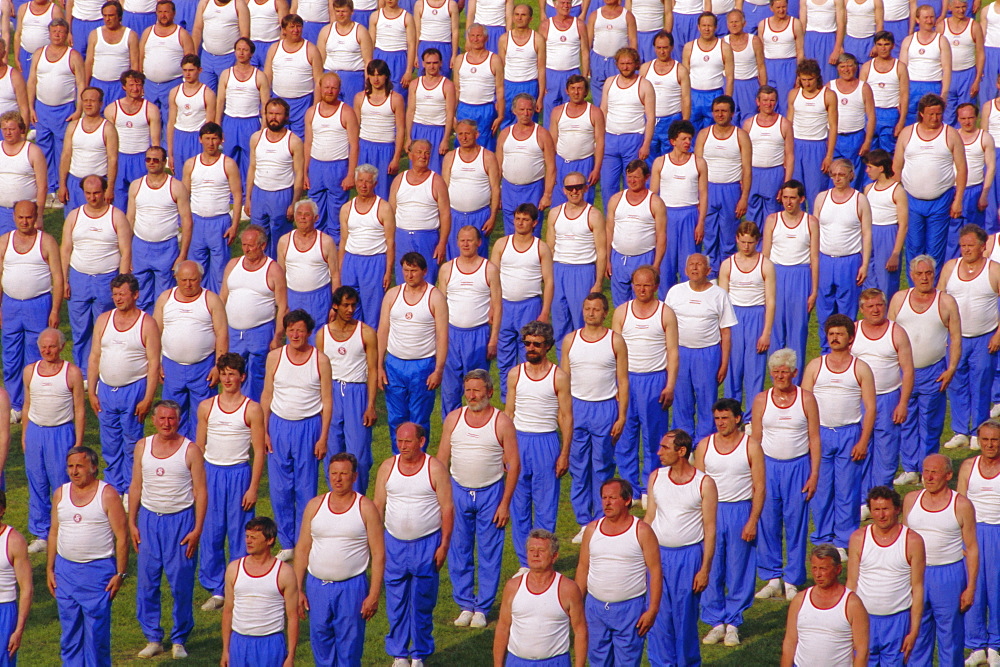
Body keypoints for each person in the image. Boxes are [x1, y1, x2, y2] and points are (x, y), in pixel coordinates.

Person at [437, 370, 520, 627]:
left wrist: (505, 503)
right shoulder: (454, 419)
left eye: (477, 390)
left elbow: (514, 464)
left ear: (490, 392)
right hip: (458, 491)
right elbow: (441, 460)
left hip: (490, 494)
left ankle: (482, 607)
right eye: (468, 390)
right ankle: (464, 604)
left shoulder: (502, 422)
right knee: (459, 549)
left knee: (489, 551)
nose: (472, 396)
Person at [127, 400, 207, 660]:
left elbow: (201, 492)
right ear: (154, 420)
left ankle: (179, 639)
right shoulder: (143, 447)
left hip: (180, 522)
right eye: (162, 418)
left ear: (179, 420)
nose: (167, 423)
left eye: (171, 419)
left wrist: (196, 529)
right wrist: (132, 522)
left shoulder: (190, 450)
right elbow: (136, 486)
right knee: (148, 582)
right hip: (150, 522)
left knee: (181, 584)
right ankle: (153, 637)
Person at [373, 422, 454, 667]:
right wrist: (376, 545)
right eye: (399, 441)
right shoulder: (387, 467)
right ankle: (399, 654)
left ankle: (418, 654)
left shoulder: (435, 468)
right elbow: (377, 506)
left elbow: (447, 509)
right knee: (396, 602)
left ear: (421, 441)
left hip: (426, 544)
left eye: (408, 441)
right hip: (394, 544)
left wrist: (443, 546)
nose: (403, 446)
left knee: (422, 602)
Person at [293, 453, 385, 667]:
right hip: (317, 588)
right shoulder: (315, 506)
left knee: (350, 648)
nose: (338, 478)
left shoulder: (365, 508)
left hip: (351, 588)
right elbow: (302, 549)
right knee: (321, 642)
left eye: (344, 474)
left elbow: (379, 554)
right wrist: (297, 589)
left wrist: (373, 594)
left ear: (354, 476)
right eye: (333, 473)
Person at [194, 353, 264, 614]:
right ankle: (216, 588)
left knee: (239, 533)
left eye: (232, 374)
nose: (227, 379)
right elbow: (198, 448)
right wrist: (196, 483)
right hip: (212, 474)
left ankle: (238, 585)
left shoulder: (252, 409)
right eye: (223, 374)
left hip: (238, 474)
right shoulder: (206, 407)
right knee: (211, 532)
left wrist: (253, 487)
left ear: (242, 377)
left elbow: (258, 450)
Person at [46, 446, 129, 667]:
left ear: (93, 467)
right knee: (70, 634)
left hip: (97, 573)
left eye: (79, 466)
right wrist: (50, 569)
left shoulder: (108, 494)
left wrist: (120, 573)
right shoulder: (60, 494)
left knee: (96, 637)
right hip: (66, 572)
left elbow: (122, 537)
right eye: (70, 466)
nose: (74, 471)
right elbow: (54, 532)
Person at [692, 399, 765, 648]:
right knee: (711, 566)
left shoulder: (751, 446)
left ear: (737, 419)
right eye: (717, 418)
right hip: (712, 512)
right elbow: (697, 486)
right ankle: (715, 622)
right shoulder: (704, 446)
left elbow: (760, 486)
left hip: (740, 510)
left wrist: (752, 520)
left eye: (725, 418)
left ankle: (733, 623)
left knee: (739, 567)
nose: (721, 423)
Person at [801, 314, 876, 554]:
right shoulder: (815, 365)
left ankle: (844, 540)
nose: (834, 338)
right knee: (821, 489)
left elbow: (871, 407)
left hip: (849, 434)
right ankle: (823, 537)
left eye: (839, 334)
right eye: (831, 334)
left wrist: (863, 440)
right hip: (820, 434)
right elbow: (803, 403)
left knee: (847, 490)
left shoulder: (860, 368)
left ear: (850, 339)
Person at [261, 309, 332, 560]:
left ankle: (305, 539)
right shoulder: (274, 357)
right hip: (279, 426)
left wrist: (323, 437)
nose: (295, 334)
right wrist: (265, 431)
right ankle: (288, 542)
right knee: (280, 489)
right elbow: (267, 395)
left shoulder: (320, 360)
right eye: (291, 330)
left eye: (300, 330)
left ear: (309, 332)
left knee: (305, 487)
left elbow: (327, 401)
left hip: (308, 427)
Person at [750, 349, 821, 601]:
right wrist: (753, 474)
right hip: (768, 468)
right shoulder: (761, 400)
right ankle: (772, 577)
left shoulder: (807, 399)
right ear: (771, 374)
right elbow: (755, 440)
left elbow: (814, 438)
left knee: (796, 523)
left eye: (785, 371)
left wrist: (813, 475)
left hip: (798, 467)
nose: (780, 375)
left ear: (794, 373)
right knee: (767, 521)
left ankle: (792, 578)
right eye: (776, 371)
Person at [645, 429, 719, 666]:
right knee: (658, 617)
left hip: (689, 558)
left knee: (685, 620)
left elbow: (710, 529)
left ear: (682, 451)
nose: (659, 453)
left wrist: (705, 569)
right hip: (658, 557)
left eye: (665, 448)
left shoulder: (704, 483)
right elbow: (649, 518)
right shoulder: (656, 476)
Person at [562, 292, 628, 544]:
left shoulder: (615, 341)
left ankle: (603, 517)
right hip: (578, 408)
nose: (591, 313)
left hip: (605, 408)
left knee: (602, 465)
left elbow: (623, 380)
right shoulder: (570, 340)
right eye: (587, 308)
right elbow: (564, 381)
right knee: (579, 467)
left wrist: (621, 415)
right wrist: (564, 413)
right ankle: (583, 521)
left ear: (605, 313)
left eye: (596, 309)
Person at [505, 321, 571, 569]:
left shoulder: (559, 377)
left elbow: (565, 417)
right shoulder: (515, 374)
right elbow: (508, 413)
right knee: (519, 505)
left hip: (546, 441)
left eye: (536, 344)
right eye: (527, 343)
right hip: (519, 441)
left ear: (548, 347)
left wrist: (564, 453)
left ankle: (544, 560)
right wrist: (505, 450)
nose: (531, 348)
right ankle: (525, 563)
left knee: (545, 506)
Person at [888, 257, 960, 486]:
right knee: (907, 419)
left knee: (930, 422)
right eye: (920, 274)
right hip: (904, 372)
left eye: (928, 273)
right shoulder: (900, 299)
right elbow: (888, 334)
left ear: (934, 274)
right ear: (912, 275)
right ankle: (910, 468)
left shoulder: (946, 302)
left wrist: (951, 369)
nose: (924, 278)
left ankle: (928, 469)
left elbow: (956, 338)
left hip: (933, 371)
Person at [903, 454, 979, 667]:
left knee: (950, 638)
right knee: (916, 633)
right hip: (917, 575)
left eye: (934, 472)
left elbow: (972, 548)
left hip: (949, 575)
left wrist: (971, 587)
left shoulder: (961, 504)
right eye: (926, 471)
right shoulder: (911, 500)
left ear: (948, 475)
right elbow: (903, 542)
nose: (929, 476)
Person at [89, 273, 162, 495]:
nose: (118, 298)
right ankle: (114, 489)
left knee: (131, 444)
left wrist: (148, 398)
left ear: (135, 294)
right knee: (110, 444)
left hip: (134, 390)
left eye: (122, 294)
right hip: (107, 390)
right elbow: (94, 356)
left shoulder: (146, 324)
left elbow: (154, 364)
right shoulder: (103, 320)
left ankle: (132, 490)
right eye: (114, 294)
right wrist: (92, 392)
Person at [574, 479, 660, 663]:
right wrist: (575, 603)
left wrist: (652, 610)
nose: (606, 502)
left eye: (612, 498)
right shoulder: (592, 530)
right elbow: (583, 567)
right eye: (604, 498)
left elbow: (655, 572)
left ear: (627, 500)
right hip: (594, 609)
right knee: (597, 660)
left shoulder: (642, 531)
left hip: (630, 610)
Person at [610, 265, 678, 499]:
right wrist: (616, 385)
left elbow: (672, 351)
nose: (641, 289)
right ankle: (630, 488)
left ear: (656, 286)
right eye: (637, 285)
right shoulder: (621, 312)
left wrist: (670, 385)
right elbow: (613, 352)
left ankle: (653, 484)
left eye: (647, 285)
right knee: (626, 436)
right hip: (627, 380)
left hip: (654, 379)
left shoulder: (665, 313)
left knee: (654, 436)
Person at [59, 175, 131, 376]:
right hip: (79, 278)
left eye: (97, 193)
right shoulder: (74, 216)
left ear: (105, 191)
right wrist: (64, 280)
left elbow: (126, 252)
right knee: (80, 330)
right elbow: (65, 249)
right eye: (88, 193)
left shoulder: (116, 216)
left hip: (106, 279)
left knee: (105, 330)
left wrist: (122, 286)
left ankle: (104, 370)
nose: (92, 197)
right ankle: (83, 371)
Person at [846, 486, 926, 667]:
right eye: (876, 510)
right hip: (864, 619)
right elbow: (851, 583)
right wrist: (847, 625)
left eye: (885, 509)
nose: (881, 515)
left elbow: (918, 587)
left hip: (898, 621)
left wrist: (913, 631)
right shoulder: (858, 538)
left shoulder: (913, 541)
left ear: (897, 509)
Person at [21, 328, 85, 554]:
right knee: (37, 482)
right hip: (36, 433)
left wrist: (77, 442)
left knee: (61, 484)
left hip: (61, 433)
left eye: (52, 346)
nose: (47, 350)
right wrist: (25, 436)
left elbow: (79, 409)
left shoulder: (72, 373)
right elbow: (27, 405)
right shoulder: (30, 371)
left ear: (61, 347)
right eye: (44, 347)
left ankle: (65, 529)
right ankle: (41, 533)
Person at [377, 252, 448, 452]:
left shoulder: (434, 297)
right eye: (406, 270)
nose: (409, 275)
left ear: (424, 271)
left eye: (414, 271)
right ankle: (398, 458)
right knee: (396, 418)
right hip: (395, 364)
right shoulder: (392, 295)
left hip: (422, 365)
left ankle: (419, 461)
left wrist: (438, 369)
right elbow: (383, 330)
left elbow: (442, 335)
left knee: (419, 419)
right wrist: (379, 366)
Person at [852, 288, 914, 512]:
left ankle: (882, 498)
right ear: (862, 309)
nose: (875, 310)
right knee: (860, 448)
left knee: (886, 452)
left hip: (888, 397)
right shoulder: (854, 331)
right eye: (870, 306)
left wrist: (903, 403)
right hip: (858, 400)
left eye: (879, 305)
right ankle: (862, 500)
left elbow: (907, 370)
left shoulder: (896, 332)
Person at [664, 253, 738, 441]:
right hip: (680, 353)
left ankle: (705, 444)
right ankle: (683, 444)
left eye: (699, 264)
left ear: (708, 270)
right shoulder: (675, 292)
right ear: (686, 269)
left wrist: (723, 363)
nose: (695, 268)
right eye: (691, 264)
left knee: (707, 403)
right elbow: (665, 327)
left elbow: (726, 332)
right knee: (682, 402)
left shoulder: (719, 294)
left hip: (708, 354)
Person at [0, 201, 62, 423]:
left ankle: (33, 404)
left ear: (36, 217)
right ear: (14, 217)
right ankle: (14, 406)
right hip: (11, 305)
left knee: (36, 356)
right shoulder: (5, 242)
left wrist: (55, 309)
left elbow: (58, 276)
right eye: (21, 217)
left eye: (29, 217)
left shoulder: (46, 242)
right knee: (10, 357)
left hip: (38, 305)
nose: (25, 222)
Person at [939, 225, 1000, 450]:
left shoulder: (994, 270)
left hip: (984, 338)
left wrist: (998, 335)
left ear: (983, 247)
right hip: (956, 339)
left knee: (981, 384)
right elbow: (939, 299)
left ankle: (979, 430)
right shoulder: (950, 268)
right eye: (963, 245)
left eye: (970, 245)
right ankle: (960, 430)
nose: (966, 249)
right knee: (956, 383)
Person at [152, 260, 228, 440]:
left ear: (200, 278)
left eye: (193, 280)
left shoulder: (211, 300)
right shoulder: (165, 299)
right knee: (171, 416)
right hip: (172, 367)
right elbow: (154, 334)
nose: (188, 284)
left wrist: (218, 366)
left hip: (203, 368)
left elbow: (222, 334)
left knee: (202, 415)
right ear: (176, 278)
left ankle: (199, 453)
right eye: (184, 280)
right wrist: (157, 365)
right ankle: (175, 451)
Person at [494, 529, 587, 667]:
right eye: (531, 550)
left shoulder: (568, 589)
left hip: (555, 662)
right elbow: (503, 627)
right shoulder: (512, 587)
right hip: (517, 662)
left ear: (554, 556)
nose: (535, 554)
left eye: (541, 550)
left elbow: (580, 631)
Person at [315, 286, 378, 494]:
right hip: (331, 392)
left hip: (356, 392)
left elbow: (373, 369)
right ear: (335, 306)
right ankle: (335, 496)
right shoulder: (323, 334)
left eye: (353, 305)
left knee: (358, 452)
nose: (350, 310)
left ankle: (358, 497)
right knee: (331, 449)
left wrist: (370, 405)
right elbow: (318, 371)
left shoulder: (366, 332)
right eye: (346, 305)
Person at [895, 93, 967, 270]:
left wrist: (958, 200)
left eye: (938, 114)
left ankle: (934, 291)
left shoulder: (950, 134)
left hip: (941, 200)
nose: (935, 118)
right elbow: (896, 167)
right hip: (911, 199)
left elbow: (962, 169)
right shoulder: (907, 133)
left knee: (935, 249)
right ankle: (914, 289)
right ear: (921, 114)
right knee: (914, 248)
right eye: (931, 114)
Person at [491, 205, 553, 402]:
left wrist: (544, 313)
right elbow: (491, 280)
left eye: (525, 219)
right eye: (517, 218)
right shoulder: (502, 244)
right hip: (505, 306)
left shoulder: (540, 247)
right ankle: (506, 398)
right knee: (504, 356)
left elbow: (549, 282)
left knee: (529, 353)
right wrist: (492, 307)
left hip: (530, 306)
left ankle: (528, 397)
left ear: (534, 223)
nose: (520, 223)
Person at [220, 517, 299, 666]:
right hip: (239, 643)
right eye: (247, 537)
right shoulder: (234, 569)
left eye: (254, 538)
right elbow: (228, 611)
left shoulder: (284, 572)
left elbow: (292, 616)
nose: (248, 541)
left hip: (270, 644)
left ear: (269, 540)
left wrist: (291, 656)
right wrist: (226, 650)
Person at [814, 159, 872, 350]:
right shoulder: (822, 198)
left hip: (849, 260)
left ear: (851, 175)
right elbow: (813, 230)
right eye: (833, 174)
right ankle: (826, 351)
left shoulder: (859, 199)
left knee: (847, 309)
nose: (837, 178)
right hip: (825, 259)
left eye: (841, 174)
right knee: (824, 309)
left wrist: (864, 264)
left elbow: (866, 233)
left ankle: (847, 349)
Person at [762, 180, 819, 374]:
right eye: (785, 197)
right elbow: (765, 256)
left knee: (798, 331)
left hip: (801, 276)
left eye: (792, 198)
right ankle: (778, 377)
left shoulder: (810, 222)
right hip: (777, 275)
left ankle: (796, 379)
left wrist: (814, 291)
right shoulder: (772, 220)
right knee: (776, 329)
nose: (788, 202)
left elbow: (815, 257)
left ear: (801, 199)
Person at [780, 545, 870, 667]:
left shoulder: (852, 604)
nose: (818, 574)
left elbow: (862, 651)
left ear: (838, 569)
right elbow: (790, 643)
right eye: (814, 568)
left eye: (823, 569)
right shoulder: (800, 600)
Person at [128, 145, 193, 313]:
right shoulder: (136, 186)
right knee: (139, 295)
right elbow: (129, 219)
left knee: (164, 298)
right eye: (148, 159)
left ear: (164, 162)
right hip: (140, 247)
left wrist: (182, 255)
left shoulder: (176, 187)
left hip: (166, 248)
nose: (151, 163)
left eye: (155, 160)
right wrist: (127, 253)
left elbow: (187, 221)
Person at [28, 19, 84, 208]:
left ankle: (61, 187)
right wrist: (31, 107)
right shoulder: (39, 53)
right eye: (54, 31)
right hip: (42, 108)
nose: (57, 35)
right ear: (49, 33)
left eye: (61, 31)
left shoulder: (73, 56)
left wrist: (79, 110)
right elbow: (32, 82)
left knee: (63, 150)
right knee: (43, 149)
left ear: (66, 33)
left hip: (65, 109)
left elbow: (81, 84)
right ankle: (46, 187)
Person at [181, 121, 243, 294]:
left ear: (221, 140)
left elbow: (238, 196)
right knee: (196, 271)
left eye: (214, 139)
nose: (210, 143)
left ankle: (218, 306)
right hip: (196, 222)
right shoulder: (191, 164)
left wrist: (235, 226)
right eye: (207, 139)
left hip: (220, 222)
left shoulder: (228, 164)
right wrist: (185, 223)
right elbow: (183, 197)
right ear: (200, 140)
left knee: (219, 272)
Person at [957, 420, 1000, 667]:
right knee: (972, 587)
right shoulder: (967, 467)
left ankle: (995, 644)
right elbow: (960, 504)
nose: (990, 444)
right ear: (979, 441)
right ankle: (975, 645)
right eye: (985, 440)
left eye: (994, 439)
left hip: (997, 532)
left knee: (996, 589)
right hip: (972, 534)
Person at [719, 221, 776, 404]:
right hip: (734, 316)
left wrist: (766, 333)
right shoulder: (727, 265)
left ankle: (752, 416)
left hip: (756, 316)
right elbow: (722, 302)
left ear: (757, 241)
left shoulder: (765, 265)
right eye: (743, 242)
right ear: (737, 240)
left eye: (750, 242)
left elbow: (771, 301)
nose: (746, 246)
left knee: (755, 370)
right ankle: (732, 412)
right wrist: (722, 332)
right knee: (733, 368)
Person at [547, 172, 606, 347]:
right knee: (560, 323)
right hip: (559, 271)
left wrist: (598, 283)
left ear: (585, 188)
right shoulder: (555, 213)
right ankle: (564, 366)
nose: (574, 191)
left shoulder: (593, 215)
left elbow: (601, 251)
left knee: (582, 322)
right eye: (570, 188)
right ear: (564, 190)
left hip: (583, 271)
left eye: (578, 187)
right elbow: (549, 248)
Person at [695, 95, 752, 273]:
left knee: (728, 237)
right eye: (717, 111)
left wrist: (743, 198)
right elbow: (695, 167)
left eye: (724, 111)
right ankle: (710, 275)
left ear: (732, 113)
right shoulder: (704, 135)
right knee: (710, 235)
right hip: (709, 189)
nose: (720, 115)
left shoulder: (741, 136)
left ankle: (728, 274)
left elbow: (747, 169)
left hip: (731, 189)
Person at [649, 120, 706, 293]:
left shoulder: (699, 163)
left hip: (689, 215)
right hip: (667, 217)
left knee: (689, 265)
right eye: (684, 139)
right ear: (673, 141)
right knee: (666, 265)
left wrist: (701, 222)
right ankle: (666, 304)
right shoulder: (660, 163)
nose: (688, 142)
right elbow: (652, 196)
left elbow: (703, 195)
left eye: (690, 139)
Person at [304, 72, 360, 243]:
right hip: (316, 167)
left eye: (334, 88)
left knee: (336, 217)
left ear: (339, 90)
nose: (329, 91)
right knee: (316, 214)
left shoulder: (347, 112)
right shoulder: (311, 112)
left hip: (338, 167)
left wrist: (350, 174)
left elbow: (354, 145)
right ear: (320, 88)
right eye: (326, 87)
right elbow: (308, 143)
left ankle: (335, 253)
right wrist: (305, 173)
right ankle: (317, 248)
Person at [245, 97, 305, 258]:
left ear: (286, 117)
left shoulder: (293, 141)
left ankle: (279, 273)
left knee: (280, 239)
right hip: (259, 193)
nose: (273, 117)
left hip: (282, 194)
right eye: (270, 113)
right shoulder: (256, 138)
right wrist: (248, 198)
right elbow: (252, 168)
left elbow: (299, 174)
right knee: (257, 237)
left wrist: (294, 202)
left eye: (278, 114)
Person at [338, 164, 395, 329]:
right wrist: (341, 268)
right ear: (355, 182)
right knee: (349, 308)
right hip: (351, 261)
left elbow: (390, 242)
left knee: (372, 312)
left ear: (375, 184)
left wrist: (387, 271)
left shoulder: (383, 208)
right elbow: (343, 240)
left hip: (374, 262)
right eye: (360, 181)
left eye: (368, 182)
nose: (363, 185)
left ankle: (372, 348)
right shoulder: (346, 209)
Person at [606, 159, 667, 305]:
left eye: (636, 177)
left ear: (646, 178)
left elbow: (661, 236)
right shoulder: (616, 200)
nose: (632, 181)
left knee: (643, 302)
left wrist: (656, 264)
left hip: (644, 258)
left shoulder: (655, 203)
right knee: (620, 305)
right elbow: (608, 231)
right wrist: (607, 260)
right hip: (618, 258)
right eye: (629, 177)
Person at [389, 139, 450, 284]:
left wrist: (442, 244)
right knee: (403, 281)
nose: (423, 156)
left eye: (427, 153)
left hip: (427, 238)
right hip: (402, 237)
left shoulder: (436, 181)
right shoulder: (399, 180)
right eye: (419, 152)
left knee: (426, 281)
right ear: (410, 155)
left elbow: (446, 214)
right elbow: (390, 213)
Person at [276, 199, 339, 336]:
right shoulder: (284, 241)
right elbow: (280, 276)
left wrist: (335, 306)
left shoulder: (326, 242)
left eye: (307, 214)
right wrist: (282, 304)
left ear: (316, 218)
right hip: (293, 297)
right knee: (295, 335)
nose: (302, 217)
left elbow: (335, 275)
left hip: (319, 299)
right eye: (299, 214)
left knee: (318, 337)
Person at [497, 94, 556, 236]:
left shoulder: (542, 134)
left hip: (533, 189)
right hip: (509, 190)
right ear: (514, 111)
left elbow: (551, 167)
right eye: (522, 109)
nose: (525, 113)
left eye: (529, 110)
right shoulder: (505, 134)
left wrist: (547, 195)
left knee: (532, 231)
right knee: (510, 234)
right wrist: (496, 194)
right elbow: (497, 166)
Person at [600, 48, 655, 203]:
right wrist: (599, 139)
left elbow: (650, 118)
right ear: (617, 64)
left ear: (636, 64)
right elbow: (603, 111)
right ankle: (610, 220)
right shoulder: (610, 83)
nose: (625, 67)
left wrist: (646, 144)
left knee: (633, 184)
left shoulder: (644, 85)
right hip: (610, 139)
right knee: (607, 186)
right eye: (622, 63)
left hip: (633, 140)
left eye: (629, 63)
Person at [443, 119, 501, 259]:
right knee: (455, 257)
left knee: (478, 257)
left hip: (480, 216)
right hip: (454, 216)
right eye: (460, 134)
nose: (463, 137)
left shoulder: (488, 157)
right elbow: (443, 189)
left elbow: (495, 188)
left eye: (467, 134)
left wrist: (493, 217)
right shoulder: (450, 157)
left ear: (476, 135)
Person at [216, 37, 269, 181]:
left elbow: (265, 105)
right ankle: (230, 192)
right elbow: (220, 101)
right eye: (238, 49)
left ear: (251, 53)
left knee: (250, 160)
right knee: (229, 159)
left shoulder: (259, 76)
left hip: (250, 122)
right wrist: (217, 125)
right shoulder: (226, 74)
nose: (241, 53)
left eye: (245, 50)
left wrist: (264, 127)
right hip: (230, 121)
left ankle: (247, 194)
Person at [57, 88, 118, 214]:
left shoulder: (108, 128)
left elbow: (113, 160)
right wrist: (62, 185)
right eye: (85, 101)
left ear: (100, 104)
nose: (89, 104)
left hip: (98, 184)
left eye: (92, 101)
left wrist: (110, 187)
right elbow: (66, 156)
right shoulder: (73, 126)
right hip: (74, 182)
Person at [138, 1, 196, 128]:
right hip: (150, 86)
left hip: (172, 84)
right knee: (148, 120)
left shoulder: (182, 34)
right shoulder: (148, 32)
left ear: (174, 13)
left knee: (170, 121)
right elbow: (140, 58)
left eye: (166, 12)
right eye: (160, 12)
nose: (163, 15)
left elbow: (191, 63)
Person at [742, 86, 793, 228]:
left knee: (773, 214)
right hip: (753, 173)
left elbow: (789, 155)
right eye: (764, 100)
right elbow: (742, 155)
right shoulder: (748, 124)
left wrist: (786, 184)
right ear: (758, 102)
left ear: (776, 102)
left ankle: (771, 247)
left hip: (774, 173)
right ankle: (754, 248)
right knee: (752, 214)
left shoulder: (784, 124)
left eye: (772, 100)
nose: (768, 104)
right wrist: (742, 177)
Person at [788, 59, 837, 202]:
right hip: (796, 145)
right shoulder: (793, 94)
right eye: (803, 80)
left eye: (810, 79)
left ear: (817, 77)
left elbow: (833, 127)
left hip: (817, 146)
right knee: (795, 190)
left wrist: (829, 156)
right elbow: (788, 125)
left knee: (816, 192)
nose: (807, 83)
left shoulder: (828, 95)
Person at [355, 59, 405, 201]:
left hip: (385, 149)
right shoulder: (359, 98)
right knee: (364, 191)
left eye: (379, 74)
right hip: (365, 147)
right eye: (372, 75)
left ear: (386, 76)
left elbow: (401, 129)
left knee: (383, 193)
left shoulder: (396, 99)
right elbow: (355, 128)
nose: (376, 79)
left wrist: (396, 158)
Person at [267, 13, 323, 139]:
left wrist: (315, 107)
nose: (296, 30)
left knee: (300, 140)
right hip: (279, 100)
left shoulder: (311, 49)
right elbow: (267, 79)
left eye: (298, 26)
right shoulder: (274, 48)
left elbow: (319, 81)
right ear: (284, 30)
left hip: (303, 103)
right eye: (292, 27)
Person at [548, 77, 602, 209]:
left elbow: (600, 142)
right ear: (567, 91)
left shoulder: (595, 112)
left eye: (579, 88)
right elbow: (552, 142)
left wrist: (596, 169)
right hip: (561, 164)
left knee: (584, 205)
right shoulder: (557, 112)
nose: (576, 92)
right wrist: (551, 168)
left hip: (585, 164)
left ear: (586, 91)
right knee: (559, 205)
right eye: (572, 89)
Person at [861, 149, 907, 297]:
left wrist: (895, 253)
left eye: (870, 167)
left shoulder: (897, 191)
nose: (867, 171)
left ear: (881, 168)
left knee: (886, 281)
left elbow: (903, 225)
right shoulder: (868, 189)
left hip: (888, 234)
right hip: (870, 233)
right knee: (868, 275)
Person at [640, 31, 691, 159]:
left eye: (665, 48)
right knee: (648, 158)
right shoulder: (645, 69)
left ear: (671, 47)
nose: (662, 51)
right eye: (659, 48)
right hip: (650, 121)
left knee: (671, 158)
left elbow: (686, 99)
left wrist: (684, 123)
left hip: (672, 120)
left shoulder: (680, 70)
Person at [453, 24, 503, 152]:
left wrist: (500, 115)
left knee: (485, 147)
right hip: (465, 108)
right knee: (463, 145)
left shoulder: (494, 60)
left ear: (485, 38)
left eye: (479, 36)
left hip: (486, 110)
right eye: (473, 36)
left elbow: (500, 89)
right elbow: (456, 89)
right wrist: (452, 114)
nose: (475, 39)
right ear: (468, 38)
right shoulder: (460, 59)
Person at [828, 54, 875, 190]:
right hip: (835, 138)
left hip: (855, 138)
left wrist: (867, 141)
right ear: (837, 68)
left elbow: (871, 116)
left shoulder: (864, 88)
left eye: (850, 66)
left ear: (856, 67)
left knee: (852, 176)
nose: (846, 69)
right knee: (834, 174)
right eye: (842, 66)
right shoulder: (830, 87)